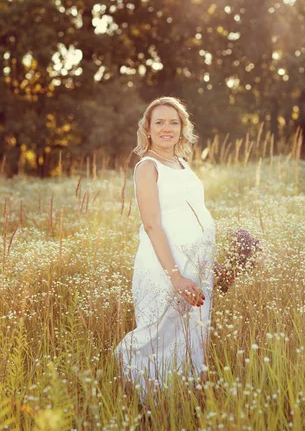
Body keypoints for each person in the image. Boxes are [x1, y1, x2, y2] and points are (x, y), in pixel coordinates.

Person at [114, 96, 216, 403]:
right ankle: (142, 398)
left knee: (189, 334)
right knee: (157, 332)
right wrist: (176, 277)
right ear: (147, 128)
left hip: (195, 263)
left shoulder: (182, 164)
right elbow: (152, 225)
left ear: (182, 128)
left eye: (173, 122)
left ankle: (178, 400)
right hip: (165, 266)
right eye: (159, 122)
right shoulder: (148, 167)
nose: (166, 128)